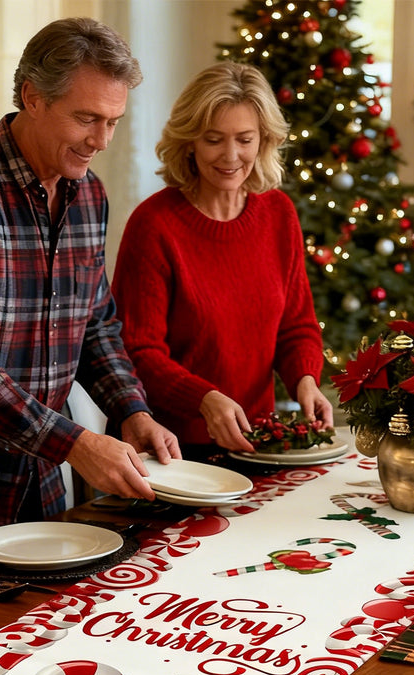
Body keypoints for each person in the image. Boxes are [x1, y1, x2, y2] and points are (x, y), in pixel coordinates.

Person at [0, 18, 180, 569]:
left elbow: (97, 324)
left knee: (37, 643)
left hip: (38, 480)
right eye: (86, 118)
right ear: (32, 98)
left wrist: (131, 410)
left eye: (113, 120)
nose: (101, 140)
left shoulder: (88, 194)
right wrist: (74, 444)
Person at [111, 62, 333, 456]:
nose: (231, 156)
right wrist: (204, 398)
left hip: (255, 443)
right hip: (168, 450)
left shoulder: (278, 214)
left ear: (264, 140)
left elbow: (296, 325)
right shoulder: (154, 225)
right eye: (214, 139)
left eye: (244, 139)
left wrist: (305, 380)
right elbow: (136, 351)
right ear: (189, 141)